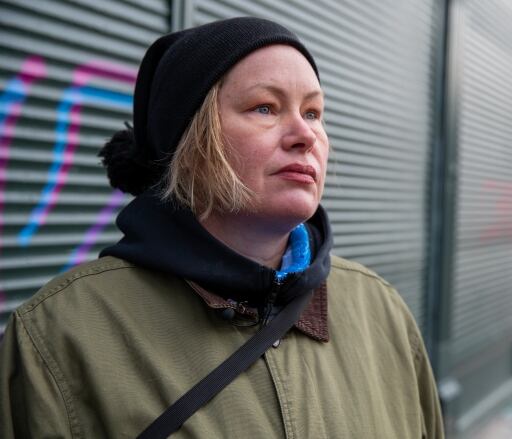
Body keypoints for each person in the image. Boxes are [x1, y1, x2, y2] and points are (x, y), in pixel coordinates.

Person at [0, 17, 443, 438]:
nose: (305, 135)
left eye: (312, 112)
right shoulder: (61, 335)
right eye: (265, 107)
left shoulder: (382, 313)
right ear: (188, 140)